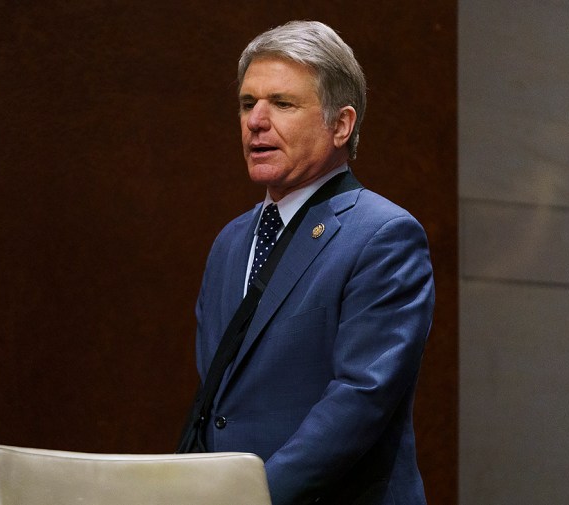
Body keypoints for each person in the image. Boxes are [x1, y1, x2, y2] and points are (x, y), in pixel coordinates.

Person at [181, 20, 435, 505]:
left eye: (282, 103)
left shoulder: (383, 236)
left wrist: (254, 497)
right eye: (246, 103)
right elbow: (219, 406)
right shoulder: (231, 242)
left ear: (341, 124)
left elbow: (361, 397)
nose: (256, 120)